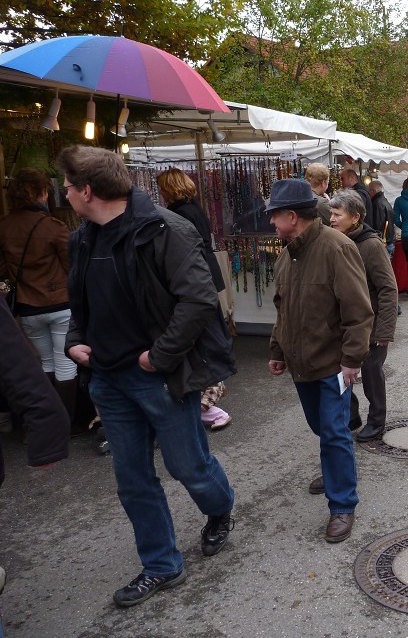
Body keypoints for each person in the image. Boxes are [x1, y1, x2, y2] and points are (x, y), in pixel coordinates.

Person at [60, 145, 236, 607]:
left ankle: (220, 509)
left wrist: (158, 358)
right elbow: (80, 303)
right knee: (132, 478)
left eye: (67, 187)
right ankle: (162, 564)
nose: (64, 194)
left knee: (187, 466)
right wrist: (74, 338)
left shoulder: (165, 229)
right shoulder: (81, 239)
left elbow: (199, 300)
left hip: (157, 376)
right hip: (107, 379)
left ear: (87, 191)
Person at [267, 179, 373, 544]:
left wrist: (351, 360)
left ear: (292, 216)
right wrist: (277, 350)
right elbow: (283, 309)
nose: (271, 223)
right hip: (301, 363)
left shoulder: (337, 247)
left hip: (332, 364)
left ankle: (342, 504)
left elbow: (359, 312)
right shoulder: (286, 254)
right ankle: (334, 470)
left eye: (274, 216)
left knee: (333, 431)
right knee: (322, 428)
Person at [0, 297, 70, 630]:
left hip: (29, 307)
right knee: (60, 364)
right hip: (54, 304)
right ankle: (73, 416)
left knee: (48, 363)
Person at [0, 169, 79, 424]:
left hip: (26, 305)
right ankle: (66, 421)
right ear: (41, 193)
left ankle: (47, 421)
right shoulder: (53, 227)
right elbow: (72, 267)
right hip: (60, 303)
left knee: (44, 363)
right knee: (65, 361)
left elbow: (2, 269)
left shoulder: (4, 226)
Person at [156, 168, 231, 431]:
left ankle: (206, 398)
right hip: (206, 271)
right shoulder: (194, 208)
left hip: (196, 275)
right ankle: (209, 395)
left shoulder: (179, 214)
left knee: (200, 332)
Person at [329, 191, 398, 442]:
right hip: (348, 324)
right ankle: (352, 415)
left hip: (372, 325)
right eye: (331, 214)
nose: (332, 219)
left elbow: (388, 288)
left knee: (371, 373)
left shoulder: (371, 245)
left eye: (337, 214)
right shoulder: (337, 240)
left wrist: (385, 331)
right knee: (344, 372)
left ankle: (377, 421)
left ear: (355, 217)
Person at [368, 180, 395, 256]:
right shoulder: (385, 202)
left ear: (372, 190)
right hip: (388, 241)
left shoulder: (377, 203)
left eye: (369, 190)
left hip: (382, 242)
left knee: (380, 267)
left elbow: (378, 225)